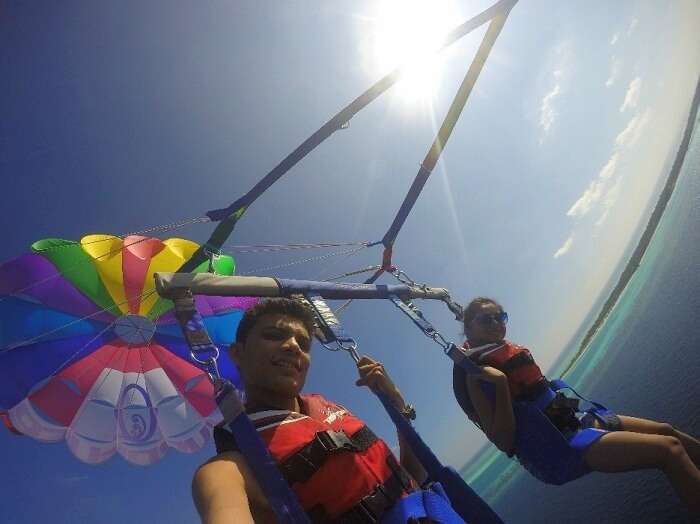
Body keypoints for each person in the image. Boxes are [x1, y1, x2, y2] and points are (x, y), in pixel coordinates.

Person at [192, 298, 460, 524]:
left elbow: (410, 480)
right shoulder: (229, 470)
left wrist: (396, 403)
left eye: (303, 343)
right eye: (274, 335)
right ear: (238, 353)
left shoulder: (331, 410)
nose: (293, 345)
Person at [452, 296, 700, 513]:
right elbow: (503, 441)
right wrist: (501, 386)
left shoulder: (501, 350)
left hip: (574, 418)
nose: (497, 323)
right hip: (558, 447)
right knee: (669, 449)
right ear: (469, 327)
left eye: (500, 317)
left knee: (667, 431)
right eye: (487, 319)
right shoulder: (478, 376)